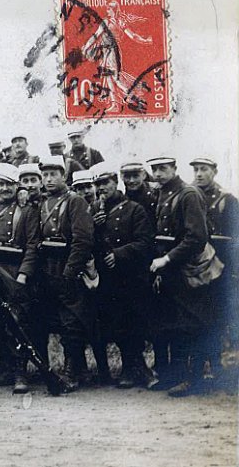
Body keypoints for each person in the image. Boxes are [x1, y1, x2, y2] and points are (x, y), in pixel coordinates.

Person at [147, 155, 212, 396]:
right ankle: (173, 377)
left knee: (189, 325)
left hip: (187, 269)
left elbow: (196, 237)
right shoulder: (162, 194)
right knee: (171, 325)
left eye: (163, 169)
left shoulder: (188, 194)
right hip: (169, 271)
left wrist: (168, 258)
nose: (159, 174)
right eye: (155, 169)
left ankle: (192, 379)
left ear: (174, 168)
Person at [0, 163, 42, 394]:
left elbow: (33, 245)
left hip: (14, 272)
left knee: (18, 322)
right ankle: (4, 364)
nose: (4, 189)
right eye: (0, 184)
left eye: (8, 185)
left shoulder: (27, 211)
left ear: (17, 187)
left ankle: (20, 371)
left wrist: (24, 274)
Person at [90, 163, 155, 388]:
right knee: (115, 323)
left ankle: (134, 368)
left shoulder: (134, 209)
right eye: (97, 184)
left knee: (133, 323)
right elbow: (90, 242)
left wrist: (118, 254)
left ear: (115, 182)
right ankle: (131, 368)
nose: (101, 188)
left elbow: (144, 242)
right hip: (107, 278)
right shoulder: (96, 209)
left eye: (105, 183)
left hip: (131, 276)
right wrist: (95, 227)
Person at [36, 156, 95, 391]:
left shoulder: (75, 202)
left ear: (64, 176)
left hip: (69, 267)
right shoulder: (43, 204)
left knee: (72, 322)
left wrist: (70, 272)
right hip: (48, 268)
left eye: (54, 174)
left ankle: (73, 372)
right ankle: (77, 368)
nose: (49, 179)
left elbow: (83, 240)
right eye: (46, 175)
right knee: (58, 321)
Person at [190, 156, 239, 382]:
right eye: (196, 170)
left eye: (204, 170)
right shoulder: (189, 197)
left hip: (220, 267)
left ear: (214, 172)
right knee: (196, 318)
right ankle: (199, 369)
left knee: (218, 319)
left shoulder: (226, 200)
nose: (199, 174)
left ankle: (220, 370)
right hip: (195, 267)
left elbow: (234, 238)